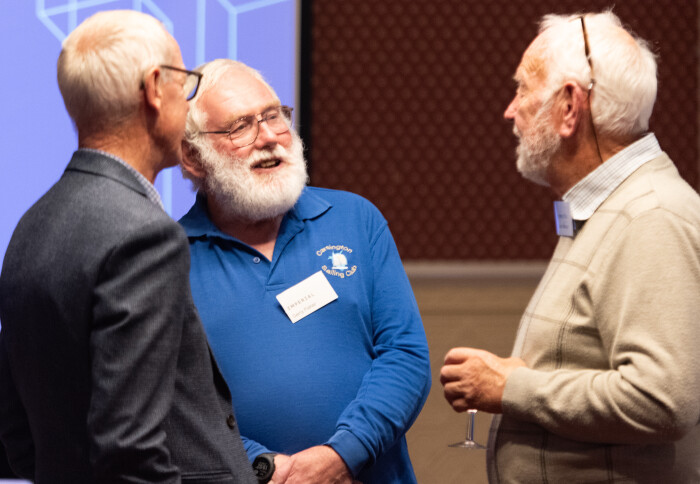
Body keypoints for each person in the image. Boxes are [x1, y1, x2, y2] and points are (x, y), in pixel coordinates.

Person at [440, 10, 700, 483]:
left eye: (522, 89)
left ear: (569, 108)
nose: (510, 109)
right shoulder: (606, 205)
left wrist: (512, 387)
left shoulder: (650, 216)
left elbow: (664, 400)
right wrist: (533, 370)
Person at [0, 11, 255, 484]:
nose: (189, 98)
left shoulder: (29, 226)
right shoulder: (145, 236)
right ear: (156, 88)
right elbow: (130, 453)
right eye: (186, 81)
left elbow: (17, 434)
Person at [178, 58, 431, 484]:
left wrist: (343, 454)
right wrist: (265, 469)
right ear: (192, 157)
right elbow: (178, 403)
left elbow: (405, 356)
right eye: (240, 126)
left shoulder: (356, 219)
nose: (269, 138)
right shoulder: (169, 259)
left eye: (274, 116)